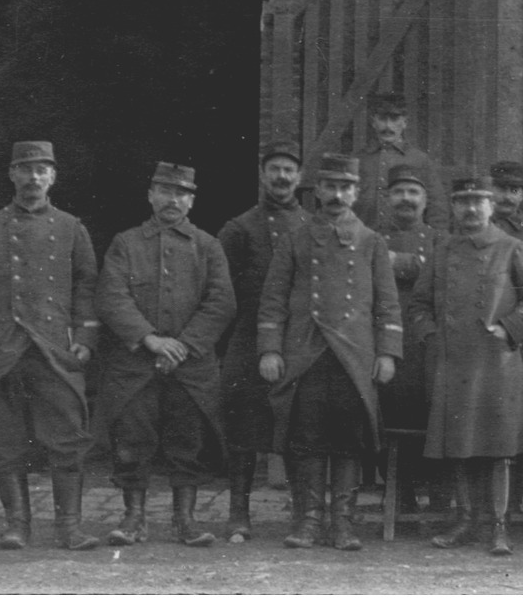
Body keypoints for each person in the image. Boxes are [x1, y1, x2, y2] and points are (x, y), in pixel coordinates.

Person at [0, 140, 102, 551]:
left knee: (68, 438)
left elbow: (88, 287)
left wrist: (86, 337)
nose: (33, 177)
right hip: (4, 348)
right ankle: (17, 525)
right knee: (5, 442)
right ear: (12, 175)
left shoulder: (72, 228)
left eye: (41, 170)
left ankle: (69, 527)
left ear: (53, 177)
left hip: (54, 348)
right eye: (25, 169)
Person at [258, 153, 402, 551]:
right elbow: (273, 299)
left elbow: (387, 304)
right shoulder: (296, 239)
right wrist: (270, 349)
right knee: (306, 438)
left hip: (353, 356)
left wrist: (387, 352)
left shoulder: (372, 242)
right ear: (317, 190)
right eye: (330, 187)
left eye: (345, 188)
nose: (337, 195)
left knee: (347, 440)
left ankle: (342, 522)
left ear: (356, 193)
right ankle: (307, 520)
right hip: (306, 351)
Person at [408, 174, 523, 556]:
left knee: (498, 448)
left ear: (492, 206)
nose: (471, 208)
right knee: (459, 444)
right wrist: (430, 336)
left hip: (497, 364)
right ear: (454, 208)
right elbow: (419, 305)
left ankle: (499, 526)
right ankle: (466, 520)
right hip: (452, 364)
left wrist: (509, 328)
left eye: (479, 200)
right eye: (462, 201)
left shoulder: (512, 248)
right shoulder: (443, 251)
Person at [95, 162, 236, 547]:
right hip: (136, 363)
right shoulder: (126, 243)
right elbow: (111, 296)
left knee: (187, 442)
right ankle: (133, 518)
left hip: (191, 367)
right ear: (150, 195)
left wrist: (184, 346)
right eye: (165, 191)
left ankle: (185, 520)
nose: (173, 200)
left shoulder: (208, 246)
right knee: (132, 440)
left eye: (182, 193)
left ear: (191, 201)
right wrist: (150, 339)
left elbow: (221, 302)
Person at [216, 138, 309, 541]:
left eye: (289, 169)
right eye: (275, 169)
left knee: (298, 426)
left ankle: (303, 515)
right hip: (247, 340)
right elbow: (220, 290)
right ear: (263, 174)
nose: (282, 176)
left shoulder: (312, 227)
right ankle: (239, 513)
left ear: (300, 177)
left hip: (298, 341)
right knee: (243, 429)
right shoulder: (239, 228)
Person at [373, 162, 445, 518]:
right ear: (387, 198)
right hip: (386, 345)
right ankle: (397, 496)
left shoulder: (438, 240)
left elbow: (442, 275)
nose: (406, 199)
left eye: (413, 192)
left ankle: (439, 498)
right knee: (389, 419)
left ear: (425, 199)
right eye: (399, 192)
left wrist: (395, 262)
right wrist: (416, 265)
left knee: (433, 418)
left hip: (427, 346)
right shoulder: (372, 238)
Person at [354, 91, 436, 231]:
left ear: (404, 122)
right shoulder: (358, 160)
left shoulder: (420, 160)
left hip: (405, 242)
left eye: (394, 119)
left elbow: (437, 207)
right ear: (373, 121)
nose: (387, 126)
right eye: (382, 119)